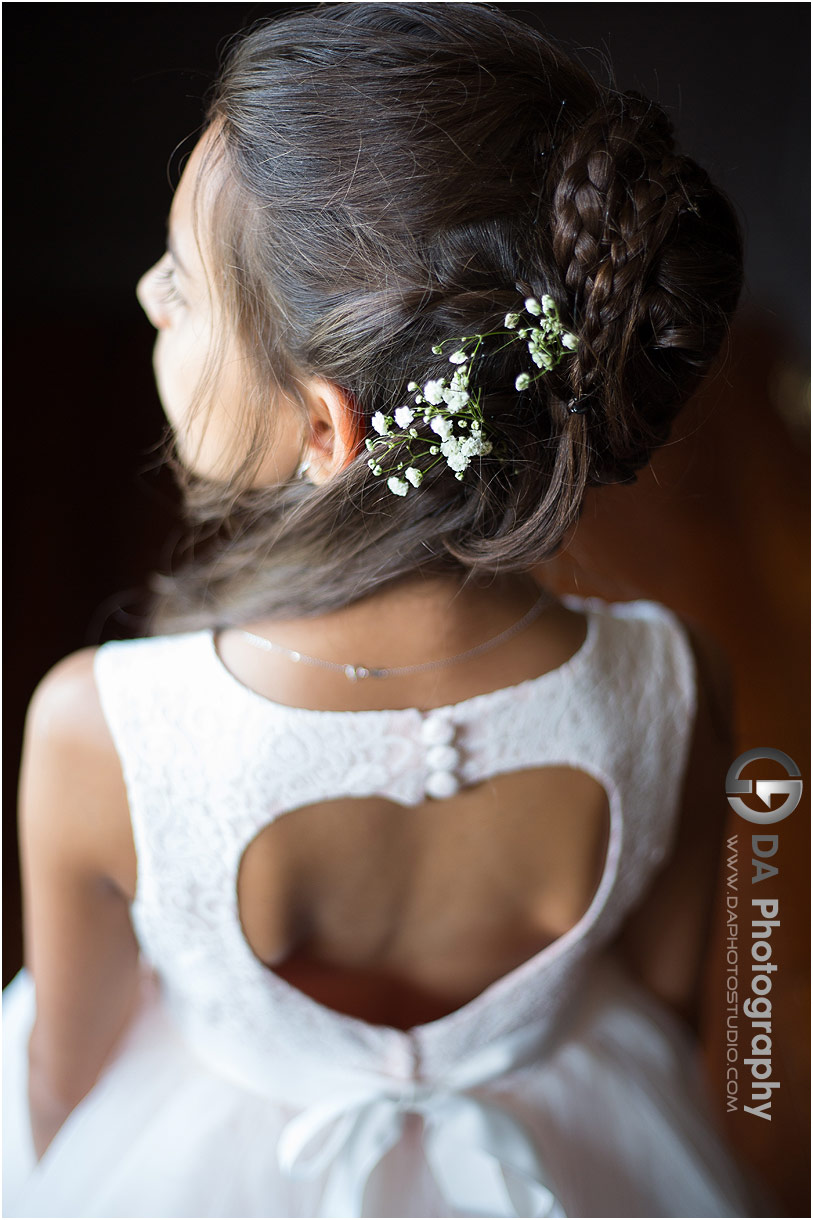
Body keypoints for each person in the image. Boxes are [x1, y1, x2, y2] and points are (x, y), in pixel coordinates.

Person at [3, 4, 778, 1216]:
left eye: (189, 285)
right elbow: (671, 1012)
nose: (150, 290)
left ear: (325, 427)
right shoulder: (675, 684)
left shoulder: (101, 727)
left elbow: (64, 1072)